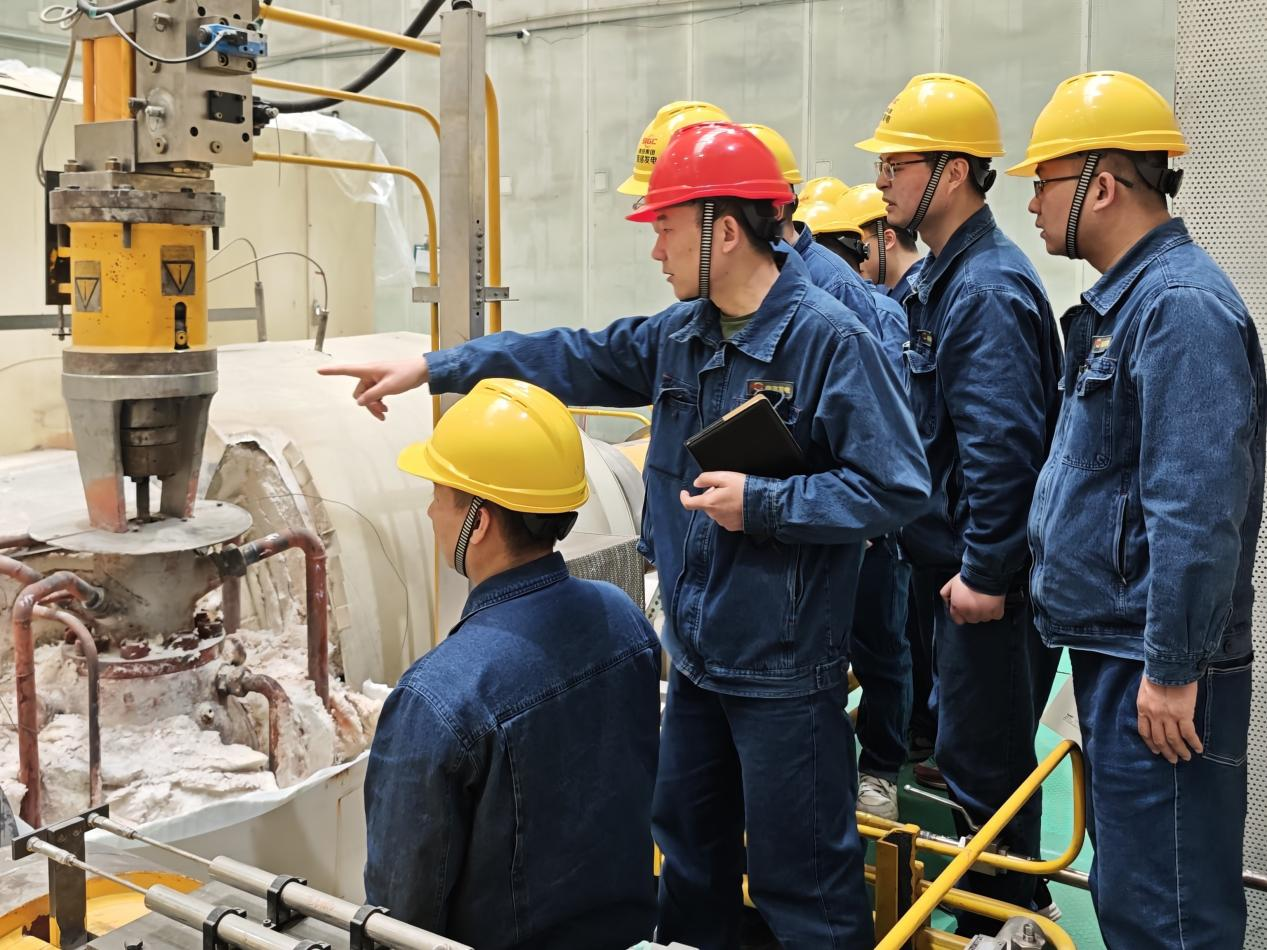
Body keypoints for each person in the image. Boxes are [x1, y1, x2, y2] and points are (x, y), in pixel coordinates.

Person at [325, 121, 931, 949]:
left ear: (723, 230)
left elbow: (895, 489)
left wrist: (764, 503)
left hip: (784, 671)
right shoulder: (682, 335)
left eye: (665, 228)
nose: (654, 250)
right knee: (688, 860)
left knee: (804, 884)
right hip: (697, 661)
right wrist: (436, 368)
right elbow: (570, 355)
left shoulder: (830, 340)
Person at [1012, 71, 1264, 949]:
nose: (1032, 202)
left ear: (1101, 187)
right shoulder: (1124, 308)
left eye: (1043, 180)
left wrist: (1170, 667)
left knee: (1170, 915)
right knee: (1133, 895)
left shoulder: (1178, 308)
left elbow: (1196, 509)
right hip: (1121, 650)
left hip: (1152, 666)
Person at [856, 73, 1063, 932]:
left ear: (950, 173)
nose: (880, 183)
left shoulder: (983, 290)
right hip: (949, 571)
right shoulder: (944, 279)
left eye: (895, 166)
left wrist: (982, 573)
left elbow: (999, 450)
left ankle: (1005, 921)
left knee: (986, 764)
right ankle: (1001, 914)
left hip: (985, 588)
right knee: (969, 753)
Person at [363, 379, 662, 948]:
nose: (430, 512)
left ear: (478, 522)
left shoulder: (437, 699)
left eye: (439, 495)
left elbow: (400, 916)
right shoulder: (623, 618)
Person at [798, 186, 919, 818]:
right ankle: (856, 767)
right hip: (821, 519)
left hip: (865, 525)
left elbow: (893, 422)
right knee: (853, 649)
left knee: (880, 648)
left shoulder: (872, 312)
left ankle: (880, 768)